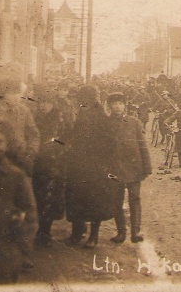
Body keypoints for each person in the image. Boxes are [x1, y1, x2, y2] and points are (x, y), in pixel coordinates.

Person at [0, 121, 38, 284]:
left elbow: (30, 215)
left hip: (5, 250)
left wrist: (22, 250)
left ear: (7, 145)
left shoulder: (15, 175)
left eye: (0, 141)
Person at [65, 85, 119, 248]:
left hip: (95, 164)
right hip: (79, 162)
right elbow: (75, 134)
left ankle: (93, 235)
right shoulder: (83, 112)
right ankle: (78, 231)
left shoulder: (101, 116)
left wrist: (102, 160)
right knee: (76, 197)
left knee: (94, 200)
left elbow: (110, 141)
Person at [107, 92, 152, 243]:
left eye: (120, 103)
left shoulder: (134, 122)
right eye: (114, 104)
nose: (117, 107)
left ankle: (135, 232)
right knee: (115, 200)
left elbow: (142, 145)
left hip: (133, 166)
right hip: (114, 168)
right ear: (110, 106)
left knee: (135, 198)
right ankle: (121, 232)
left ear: (124, 105)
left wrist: (147, 167)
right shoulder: (106, 124)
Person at [31, 89, 69, 246]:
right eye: (42, 103)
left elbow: (66, 138)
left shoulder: (60, 118)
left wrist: (57, 150)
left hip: (54, 162)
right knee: (37, 195)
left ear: (53, 104)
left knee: (52, 197)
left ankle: (46, 230)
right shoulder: (35, 117)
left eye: (47, 103)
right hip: (38, 161)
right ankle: (38, 229)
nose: (44, 106)